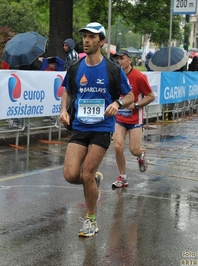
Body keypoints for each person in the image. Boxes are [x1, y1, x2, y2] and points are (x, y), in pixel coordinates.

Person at [59, 22, 135, 237]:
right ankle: (95, 181)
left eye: (92, 37)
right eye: (84, 36)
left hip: (102, 127)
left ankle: (91, 220)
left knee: (86, 173)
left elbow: (129, 96)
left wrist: (117, 104)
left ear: (101, 42)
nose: (86, 40)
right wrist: (64, 110)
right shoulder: (75, 67)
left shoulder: (112, 69)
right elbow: (67, 90)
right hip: (80, 126)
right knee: (70, 174)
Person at [112, 49, 155, 188]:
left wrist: (135, 105)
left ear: (130, 60)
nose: (119, 61)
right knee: (118, 146)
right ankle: (123, 177)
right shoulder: (115, 76)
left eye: (122, 58)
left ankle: (141, 155)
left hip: (135, 119)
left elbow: (150, 96)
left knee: (133, 150)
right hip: (119, 118)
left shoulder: (139, 76)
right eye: (117, 59)